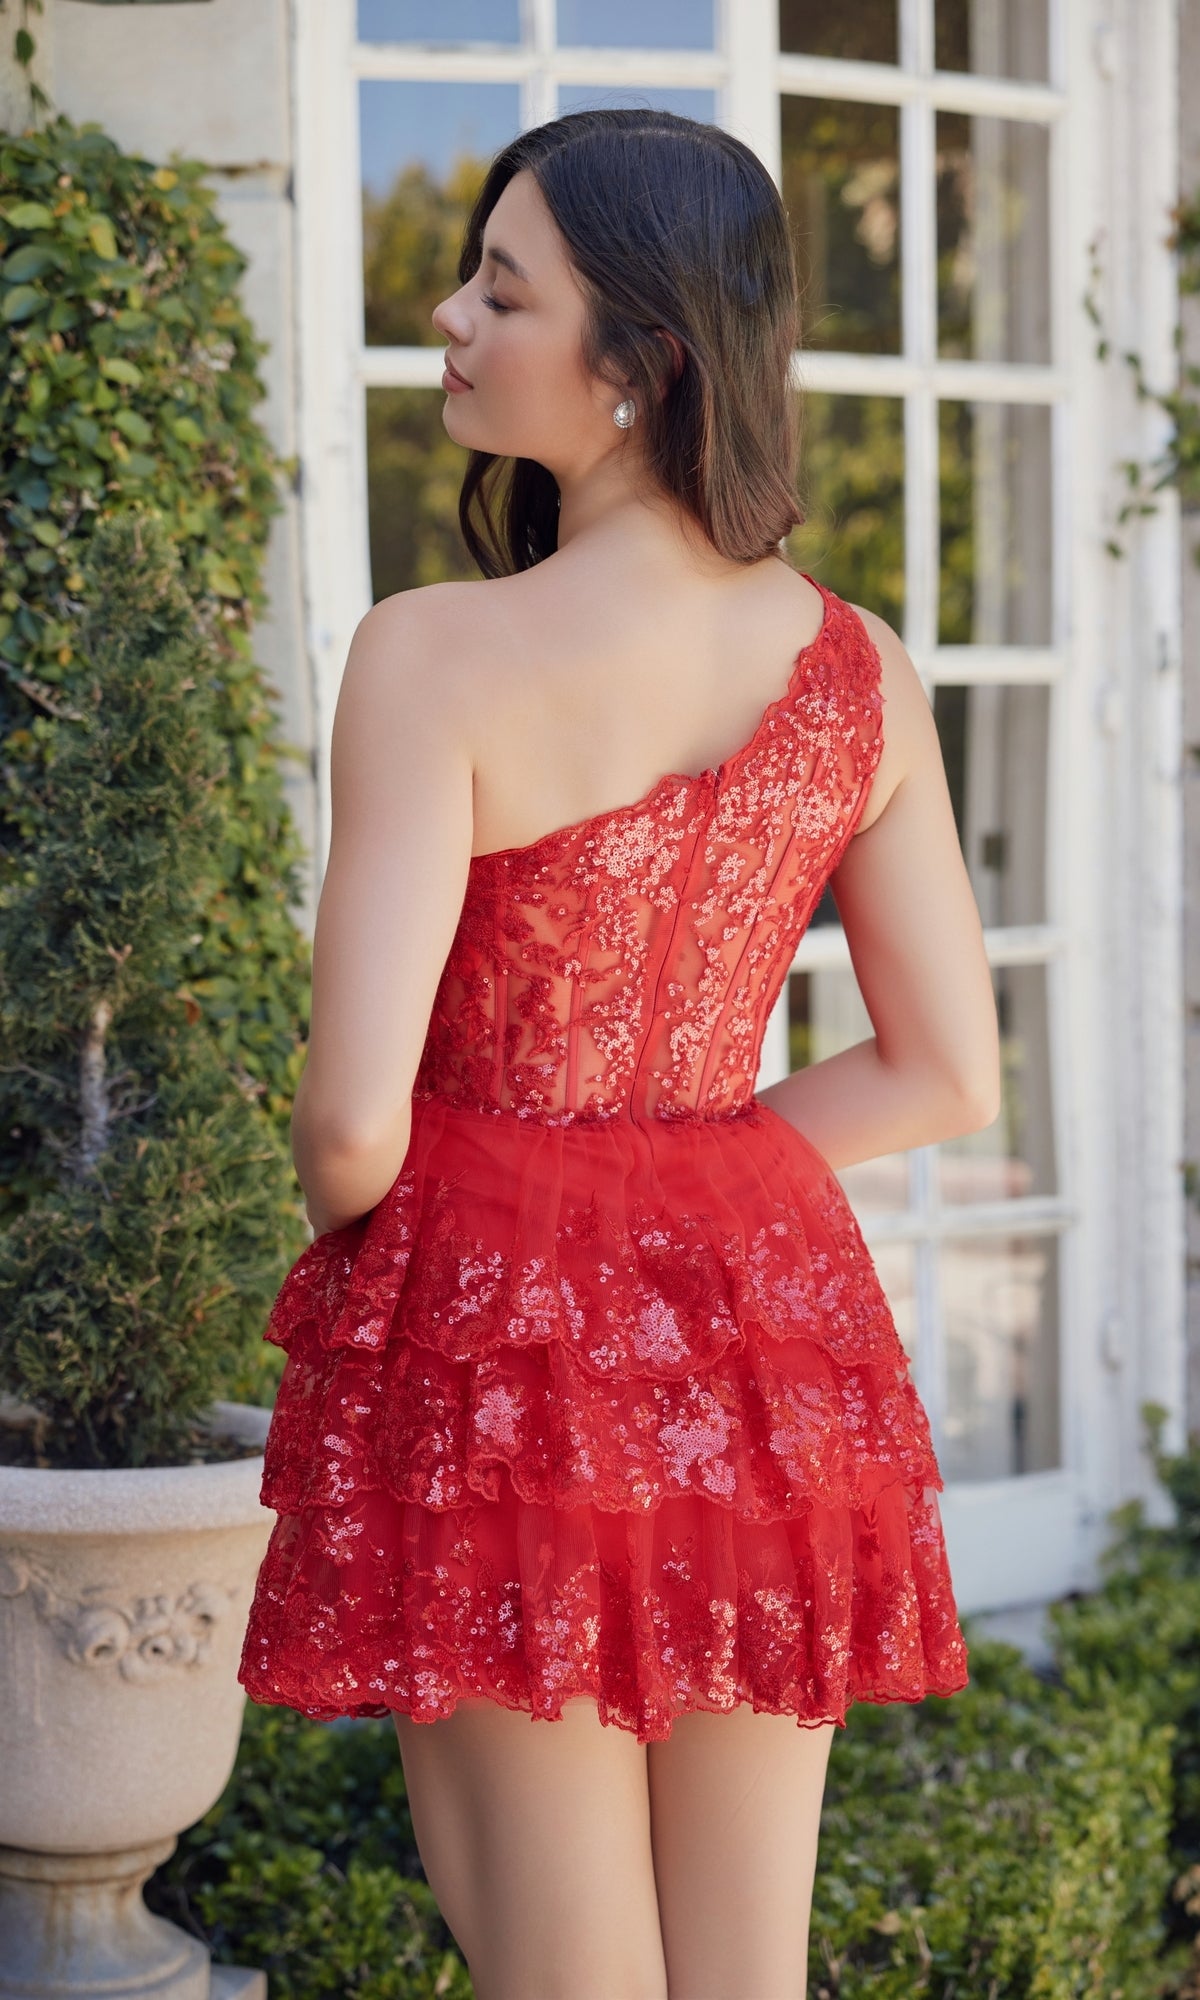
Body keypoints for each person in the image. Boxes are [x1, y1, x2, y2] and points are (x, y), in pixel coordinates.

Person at [239, 108, 1000, 2000]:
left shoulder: (431, 655)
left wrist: (438, 1238)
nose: (450, 317)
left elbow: (348, 1129)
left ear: (641, 365)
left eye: (502, 293)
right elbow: (943, 1073)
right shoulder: (863, 671)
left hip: (497, 1342)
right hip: (763, 1344)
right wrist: (691, 1184)